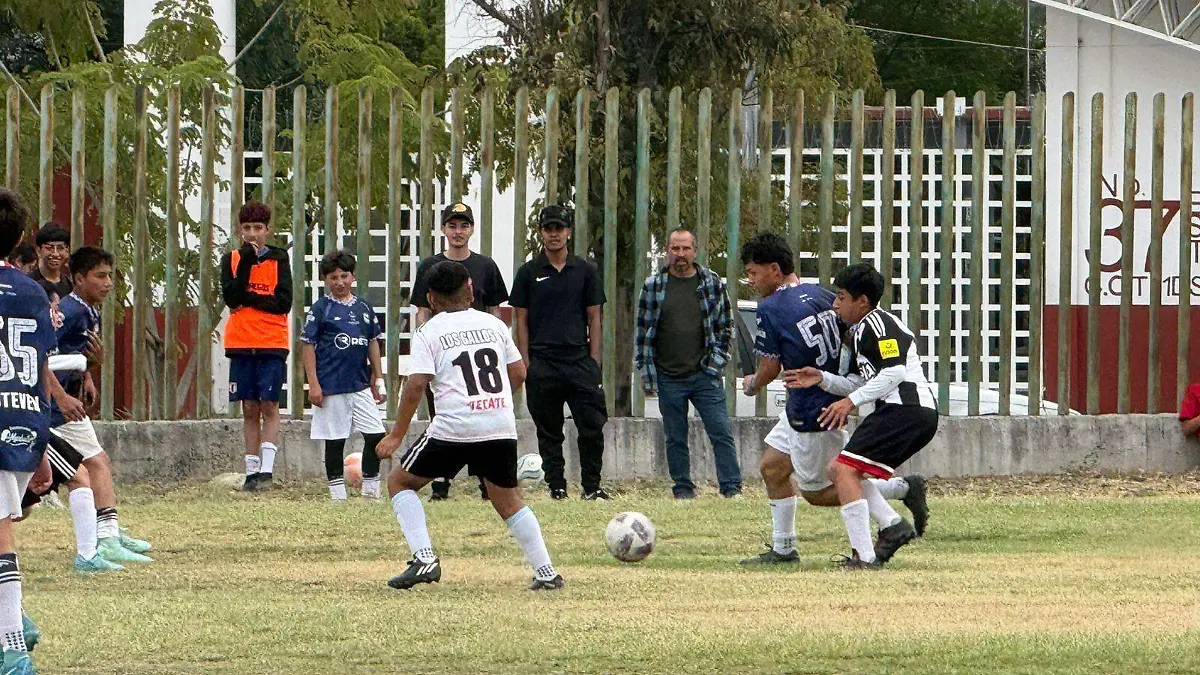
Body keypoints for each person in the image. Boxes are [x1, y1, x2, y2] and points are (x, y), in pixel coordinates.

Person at [736, 233, 926, 566]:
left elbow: (771, 365)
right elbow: (848, 342)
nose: (750, 280)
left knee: (822, 489)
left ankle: (894, 515)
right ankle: (784, 549)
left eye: (753, 273)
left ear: (774, 270)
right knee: (772, 468)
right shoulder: (822, 294)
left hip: (813, 409)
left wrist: (752, 384)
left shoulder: (771, 307)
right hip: (816, 396)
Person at [374, 261, 564, 591]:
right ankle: (546, 572)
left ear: (430, 299)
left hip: (454, 427)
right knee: (508, 501)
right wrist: (495, 400)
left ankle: (424, 560)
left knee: (399, 482)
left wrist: (397, 435)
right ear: (471, 290)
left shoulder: (429, 332)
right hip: (498, 425)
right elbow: (519, 373)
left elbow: (416, 385)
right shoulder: (494, 325)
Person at [787, 262, 938, 569]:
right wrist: (823, 379)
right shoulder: (859, 332)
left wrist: (850, 402)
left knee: (842, 471)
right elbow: (864, 381)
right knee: (841, 470)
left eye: (841, 296)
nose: (835, 303)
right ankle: (892, 527)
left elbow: (894, 371)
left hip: (907, 410)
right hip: (900, 412)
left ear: (862, 301)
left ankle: (868, 555)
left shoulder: (878, 325)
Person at [51, 246, 154, 565]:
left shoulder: (88, 310)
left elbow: (77, 353)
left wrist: (87, 377)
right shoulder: (69, 312)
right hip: (56, 405)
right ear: (78, 279)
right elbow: (43, 357)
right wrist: (61, 395)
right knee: (92, 464)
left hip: (68, 399)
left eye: (110, 276)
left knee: (96, 461)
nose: (108, 283)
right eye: (100, 276)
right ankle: (105, 538)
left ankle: (107, 532)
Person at [0, 188, 67, 673]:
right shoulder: (30, 292)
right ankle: (15, 621)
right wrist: (41, 444)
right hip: (22, 419)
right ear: (22, 238)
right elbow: (39, 368)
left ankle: (12, 647)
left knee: (2, 538)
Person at [410, 202, 508, 501]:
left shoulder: (485, 266)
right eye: (452, 226)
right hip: (443, 354)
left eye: (463, 226)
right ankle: (440, 482)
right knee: (440, 416)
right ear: (443, 229)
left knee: (480, 414)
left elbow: (495, 310)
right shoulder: (429, 265)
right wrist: (426, 347)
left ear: (472, 229)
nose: (457, 232)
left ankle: (485, 482)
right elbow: (422, 311)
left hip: (475, 358)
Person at [510, 205, 609, 501]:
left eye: (559, 229)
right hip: (543, 363)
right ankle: (557, 487)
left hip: (579, 361)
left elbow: (594, 316)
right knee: (549, 431)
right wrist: (526, 360)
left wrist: (594, 359)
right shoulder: (529, 273)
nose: (554, 235)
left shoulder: (585, 270)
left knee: (591, 427)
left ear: (568, 232)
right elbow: (521, 320)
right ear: (541, 232)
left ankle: (592, 487)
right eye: (548, 229)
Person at [635, 228, 741, 499]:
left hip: (704, 375)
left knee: (721, 433)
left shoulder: (712, 283)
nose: (680, 255)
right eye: (674, 249)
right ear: (667, 251)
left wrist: (715, 365)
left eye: (685, 249)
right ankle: (682, 489)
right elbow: (643, 334)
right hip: (668, 376)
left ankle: (732, 488)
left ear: (695, 251)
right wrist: (647, 375)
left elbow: (726, 327)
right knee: (675, 438)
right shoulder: (652, 286)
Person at [301, 251, 387, 502]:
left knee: (375, 435)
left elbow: (372, 342)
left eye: (344, 276)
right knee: (335, 440)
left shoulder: (363, 308)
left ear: (353, 277)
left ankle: (371, 491)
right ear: (326, 280)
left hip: (359, 384)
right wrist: (314, 384)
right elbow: (308, 345)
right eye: (333, 277)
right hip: (331, 385)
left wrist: (377, 378)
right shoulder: (321, 309)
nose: (339, 282)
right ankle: (337, 496)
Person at [220, 201, 292, 492]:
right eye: (247, 228)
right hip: (240, 341)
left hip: (272, 341)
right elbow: (231, 298)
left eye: (258, 228)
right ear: (240, 231)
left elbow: (282, 302)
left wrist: (250, 299)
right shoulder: (232, 260)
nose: (253, 233)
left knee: (269, 404)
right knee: (249, 407)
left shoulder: (279, 258)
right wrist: (248, 265)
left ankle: (267, 470)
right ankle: (250, 470)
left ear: (267, 230)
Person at [31, 224, 71, 300]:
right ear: (38, 251)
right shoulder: (29, 282)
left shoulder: (69, 286)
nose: (55, 254)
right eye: (49, 248)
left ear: (67, 251)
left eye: (60, 248)